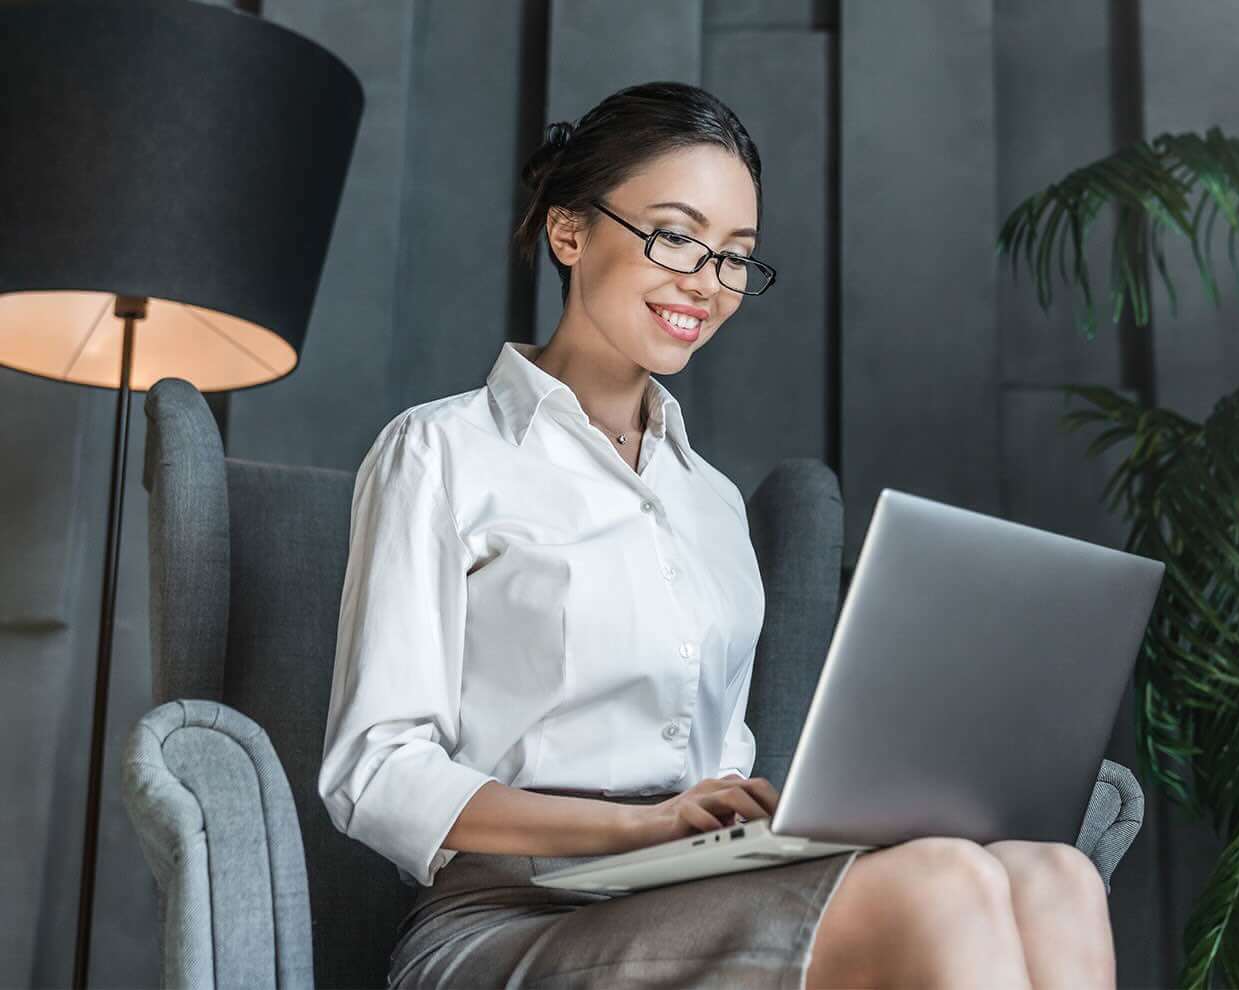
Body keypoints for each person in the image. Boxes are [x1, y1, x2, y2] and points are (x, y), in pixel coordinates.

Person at [317, 79, 1114, 990]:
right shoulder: (442, 451)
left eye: (736, 256)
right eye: (675, 235)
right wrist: (638, 827)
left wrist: (758, 821)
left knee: (1054, 875)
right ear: (570, 232)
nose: (706, 281)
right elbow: (373, 773)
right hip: (510, 919)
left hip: (690, 886)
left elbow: (715, 762)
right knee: (942, 887)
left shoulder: (710, 500)